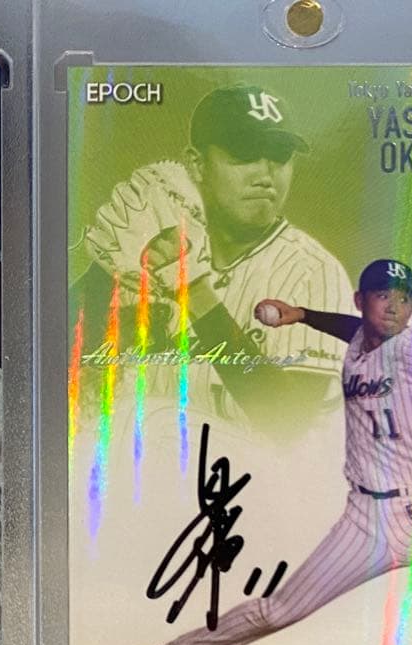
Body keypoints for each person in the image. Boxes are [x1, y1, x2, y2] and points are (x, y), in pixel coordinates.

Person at [118, 258, 412, 645]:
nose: (394, 306)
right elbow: (351, 329)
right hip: (367, 520)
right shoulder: (359, 341)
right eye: (382, 295)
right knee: (277, 611)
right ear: (360, 301)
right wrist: (301, 315)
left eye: (404, 298)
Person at [74, 84, 355, 431]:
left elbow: (288, 423)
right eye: (244, 152)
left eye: (279, 155)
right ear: (197, 164)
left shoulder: (313, 272)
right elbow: (51, 361)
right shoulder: (158, 247)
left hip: (255, 467)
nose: (265, 174)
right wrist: (103, 271)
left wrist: (193, 290)